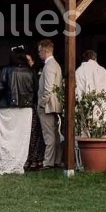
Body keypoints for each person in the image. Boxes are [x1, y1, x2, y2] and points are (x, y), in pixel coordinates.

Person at [0, 49, 36, 175]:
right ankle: (17, 163)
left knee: (5, 137)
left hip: (7, 107)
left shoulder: (6, 70)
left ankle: (3, 163)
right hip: (25, 109)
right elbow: (35, 90)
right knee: (21, 138)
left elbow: (0, 88)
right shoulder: (31, 72)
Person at [36, 39, 63, 168]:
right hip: (54, 105)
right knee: (55, 134)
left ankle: (48, 161)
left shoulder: (49, 66)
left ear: (45, 51)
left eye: (39, 51)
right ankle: (56, 159)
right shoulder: (55, 64)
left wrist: (41, 103)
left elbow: (48, 89)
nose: (38, 54)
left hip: (47, 106)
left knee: (49, 135)